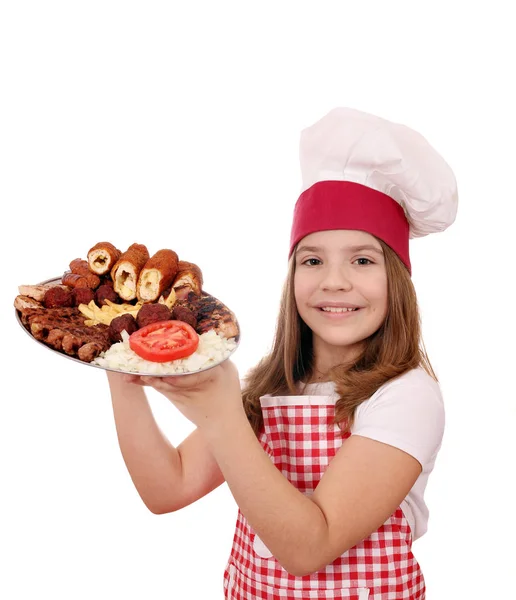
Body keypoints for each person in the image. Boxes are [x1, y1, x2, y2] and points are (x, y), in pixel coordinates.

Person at [107, 107, 458, 599]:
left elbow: (309, 548)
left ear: (396, 279)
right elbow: (168, 488)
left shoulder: (406, 396)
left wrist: (221, 412)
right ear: (292, 276)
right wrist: (120, 360)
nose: (334, 281)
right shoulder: (272, 387)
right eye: (312, 260)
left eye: (362, 259)